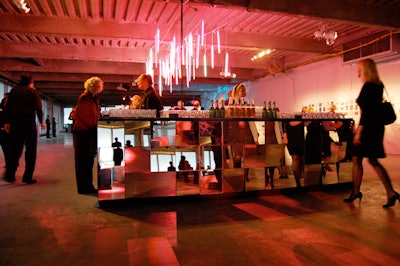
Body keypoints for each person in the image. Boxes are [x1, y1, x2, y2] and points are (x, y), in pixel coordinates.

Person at [344, 59, 399, 208]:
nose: (357, 70)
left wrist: (358, 132)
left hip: (368, 129)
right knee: (364, 159)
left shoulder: (368, 86)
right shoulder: (378, 85)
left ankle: (360, 192)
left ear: (365, 69)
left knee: (362, 159)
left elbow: (367, 113)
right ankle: (388, 193)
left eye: (359, 67)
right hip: (376, 128)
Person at [3, 74, 46, 184]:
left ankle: (10, 175)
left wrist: (7, 122)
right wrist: (41, 121)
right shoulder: (32, 92)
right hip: (29, 125)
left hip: (16, 125)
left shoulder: (14, 91)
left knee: (15, 151)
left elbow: (7, 108)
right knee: (31, 151)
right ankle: (27, 177)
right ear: (30, 82)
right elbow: (39, 108)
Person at [73, 76, 104, 194]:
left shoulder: (92, 97)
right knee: (83, 161)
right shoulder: (85, 98)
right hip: (83, 133)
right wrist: (95, 124)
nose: (97, 89)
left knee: (87, 161)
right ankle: (84, 187)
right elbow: (85, 116)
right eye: (96, 86)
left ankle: (87, 186)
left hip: (87, 132)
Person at [0, 93, 10, 169]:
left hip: (9, 132)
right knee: (5, 149)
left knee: (8, 149)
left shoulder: (12, 109)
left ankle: (10, 163)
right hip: (2, 131)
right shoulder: (1, 108)